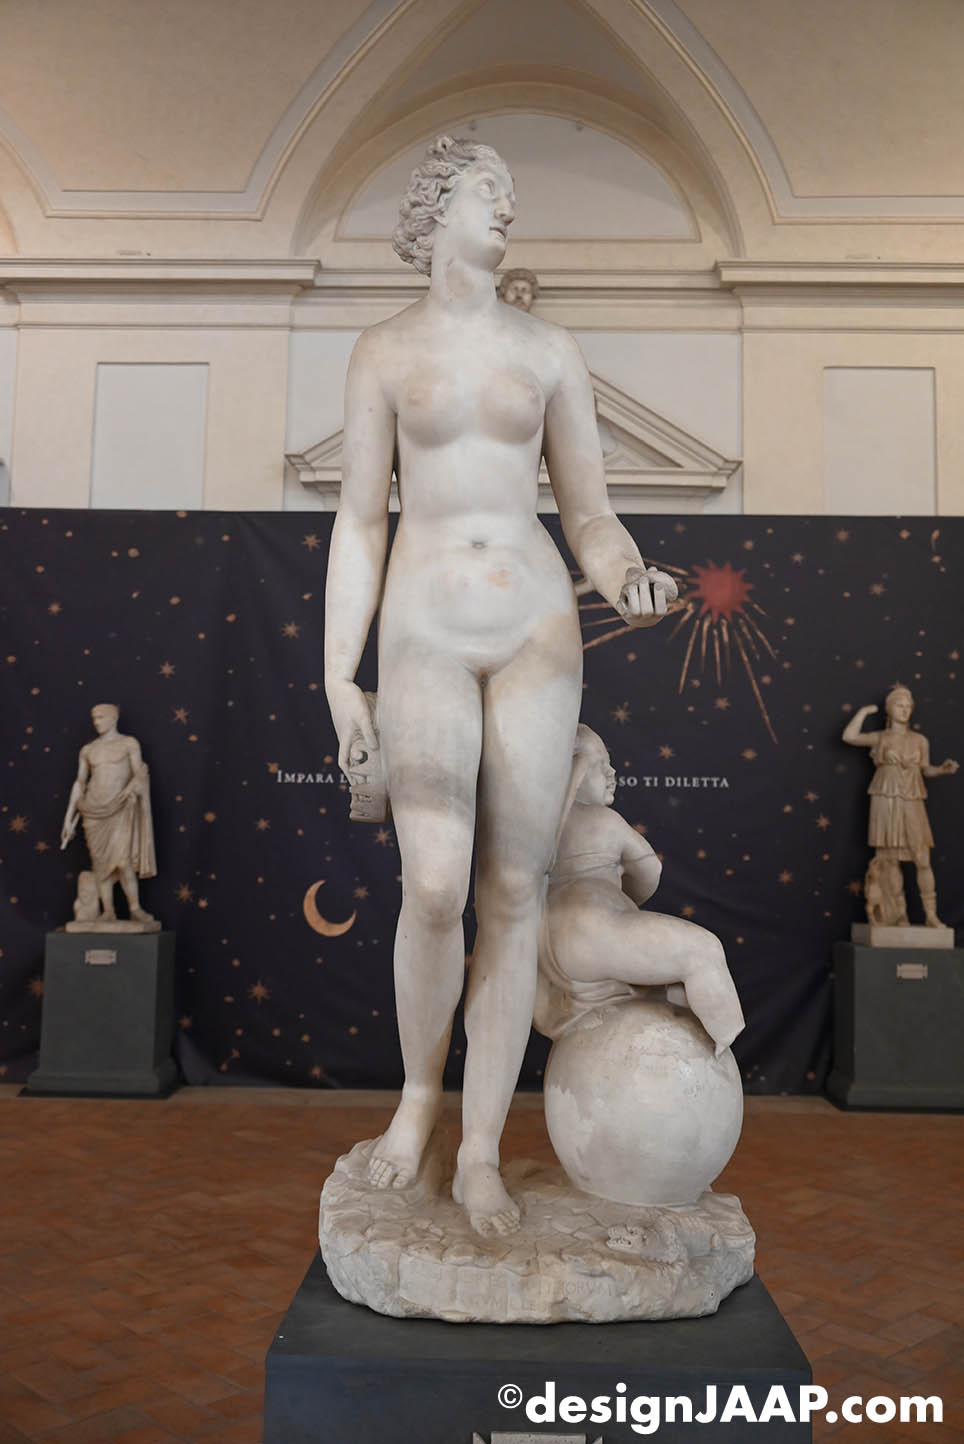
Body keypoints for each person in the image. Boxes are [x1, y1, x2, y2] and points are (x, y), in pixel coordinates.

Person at [324, 135, 676, 1236]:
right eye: (490, 188)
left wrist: (624, 573)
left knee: (515, 889)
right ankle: (417, 1103)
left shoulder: (549, 349)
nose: (509, 206)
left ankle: (480, 1148)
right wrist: (338, 676)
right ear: (436, 208)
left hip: (534, 624)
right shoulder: (383, 349)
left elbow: (588, 512)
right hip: (424, 627)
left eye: (512, 191)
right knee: (435, 886)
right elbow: (359, 520)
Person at [534, 726, 744, 1054]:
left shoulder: (537, 828)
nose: (612, 772)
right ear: (574, 772)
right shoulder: (605, 820)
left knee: (662, 981)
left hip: (554, 943)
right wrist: (626, 905)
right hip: (599, 930)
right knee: (702, 951)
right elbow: (649, 872)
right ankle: (720, 1043)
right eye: (601, 764)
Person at [842, 685, 958, 927]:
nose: (905, 710)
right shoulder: (880, 737)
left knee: (922, 858)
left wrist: (942, 769)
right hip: (885, 797)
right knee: (889, 860)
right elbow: (849, 737)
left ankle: (931, 915)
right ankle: (896, 915)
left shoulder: (920, 740)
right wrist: (863, 713)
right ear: (889, 709)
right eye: (899, 705)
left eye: (908, 707)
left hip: (912, 798)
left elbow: (925, 769)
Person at [60, 704, 157, 926]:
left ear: (114, 718)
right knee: (100, 866)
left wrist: (134, 786)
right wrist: (68, 818)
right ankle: (108, 911)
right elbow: (80, 783)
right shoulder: (88, 750)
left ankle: (135, 908)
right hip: (92, 811)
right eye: (94, 718)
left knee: (123, 862)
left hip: (119, 808)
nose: (97, 722)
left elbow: (139, 773)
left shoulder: (128, 743)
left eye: (101, 717)